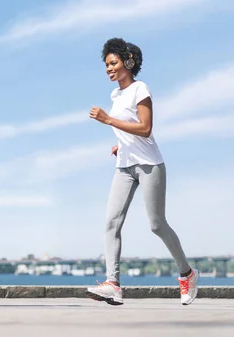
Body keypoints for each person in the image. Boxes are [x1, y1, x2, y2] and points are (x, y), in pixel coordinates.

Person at [85, 37, 199, 306]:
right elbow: (130, 128)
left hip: (149, 165)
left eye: (113, 63)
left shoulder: (140, 89)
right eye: (106, 65)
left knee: (157, 224)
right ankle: (112, 283)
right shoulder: (116, 95)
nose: (108, 69)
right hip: (124, 165)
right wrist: (120, 144)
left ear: (129, 62)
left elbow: (146, 128)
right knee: (111, 222)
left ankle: (187, 274)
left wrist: (108, 120)